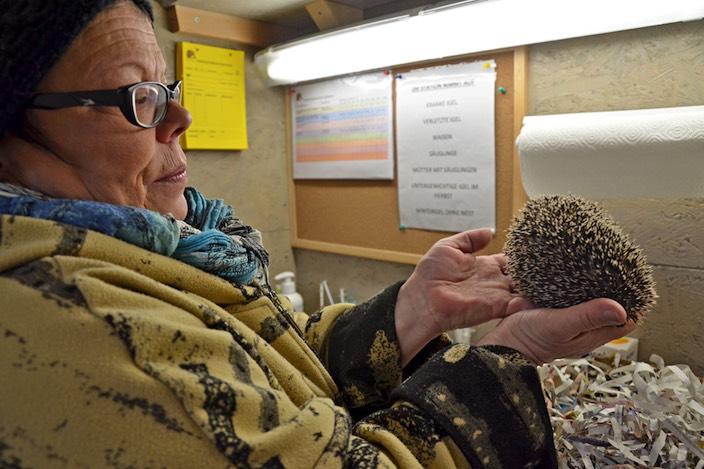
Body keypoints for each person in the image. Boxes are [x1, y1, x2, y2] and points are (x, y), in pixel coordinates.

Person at [0, 1, 635, 467]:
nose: (180, 119)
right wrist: (506, 360)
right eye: (137, 97)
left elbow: (268, 372)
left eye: (170, 88)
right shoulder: (86, 325)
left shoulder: (163, 248)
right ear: (12, 138)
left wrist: (412, 311)